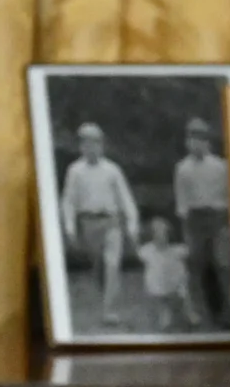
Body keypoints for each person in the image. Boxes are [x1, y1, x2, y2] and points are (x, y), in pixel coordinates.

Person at [59, 122, 140, 329]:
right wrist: (69, 227)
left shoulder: (112, 170)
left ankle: (109, 310)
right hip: (89, 223)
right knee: (99, 268)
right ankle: (106, 297)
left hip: (111, 222)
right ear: (81, 146)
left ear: (101, 145)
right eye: (86, 143)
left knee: (112, 264)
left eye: (95, 142)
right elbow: (69, 201)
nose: (91, 147)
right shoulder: (75, 171)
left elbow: (125, 198)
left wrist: (132, 224)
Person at [171, 118, 230, 326]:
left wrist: (226, 221)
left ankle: (228, 312)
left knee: (222, 263)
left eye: (201, 139)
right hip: (195, 220)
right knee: (201, 265)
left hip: (217, 218)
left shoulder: (220, 166)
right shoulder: (182, 168)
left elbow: (228, 195)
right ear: (187, 142)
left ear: (208, 142)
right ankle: (211, 311)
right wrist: (185, 227)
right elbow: (182, 200)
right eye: (192, 139)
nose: (196, 144)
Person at [135, 217, 191, 331]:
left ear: (169, 234)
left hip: (175, 282)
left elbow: (188, 251)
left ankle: (189, 312)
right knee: (162, 301)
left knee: (184, 293)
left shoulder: (176, 249)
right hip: (158, 283)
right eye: (157, 233)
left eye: (164, 233)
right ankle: (165, 315)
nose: (161, 236)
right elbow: (139, 254)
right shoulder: (148, 250)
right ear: (152, 236)